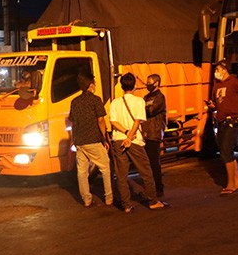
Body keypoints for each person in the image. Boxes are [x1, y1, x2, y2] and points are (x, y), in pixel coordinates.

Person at [110, 73, 168, 213]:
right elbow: (138, 120)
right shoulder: (139, 101)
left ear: (121, 86)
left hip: (118, 140)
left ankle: (126, 205)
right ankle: (153, 201)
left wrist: (125, 132)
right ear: (134, 86)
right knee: (146, 171)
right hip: (134, 141)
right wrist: (130, 136)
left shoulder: (114, 102)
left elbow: (113, 121)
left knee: (122, 175)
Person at [208, 59, 238, 196]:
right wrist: (213, 106)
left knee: (225, 152)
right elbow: (218, 104)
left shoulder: (235, 82)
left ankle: (230, 184)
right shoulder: (216, 86)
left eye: (217, 70)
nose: (215, 73)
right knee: (227, 151)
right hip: (221, 122)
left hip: (233, 121)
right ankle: (237, 182)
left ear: (224, 69)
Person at [68, 72, 113, 208]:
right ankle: (109, 197)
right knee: (105, 167)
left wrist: (73, 139)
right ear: (90, 85)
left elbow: (72, 122)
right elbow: (101, 120)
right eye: (93, 83)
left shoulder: (74, 102)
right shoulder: (96, 100)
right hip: (93, 139)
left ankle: (86, 199)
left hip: (79, 141)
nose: (95, 85)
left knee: (82, 171)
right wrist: (105, 137)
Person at [142, 74, 166, 197]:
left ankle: (158, 188)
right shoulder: (146, 97)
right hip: (145, 133)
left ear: (156, 83)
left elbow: (150, 111)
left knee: (154, 162)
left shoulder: (160, 97)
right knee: (146, 163)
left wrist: (140, 109)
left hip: (154, 133)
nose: (147, 83)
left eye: (149, 81)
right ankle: (149, 188)